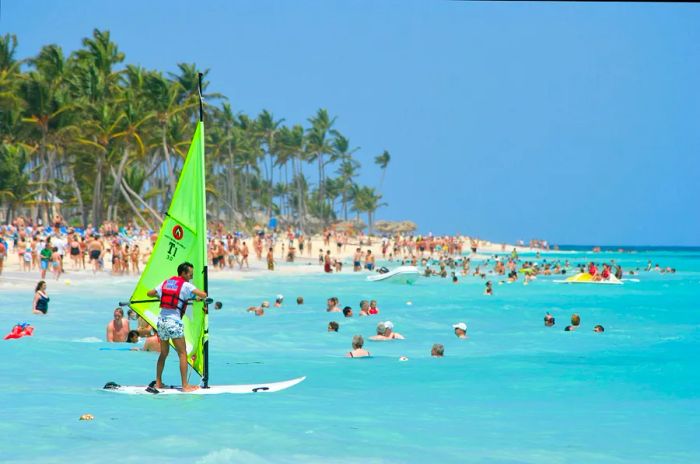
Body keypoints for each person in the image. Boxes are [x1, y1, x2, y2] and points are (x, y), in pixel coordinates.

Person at [146, 262, 207, 392]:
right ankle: (185, 386)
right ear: (183, 273)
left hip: (161, 321)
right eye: (190, 274)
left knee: (164, 353)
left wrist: (160, 295)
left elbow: (149, 293)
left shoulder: (166, 283)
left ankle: (158, 382)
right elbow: (203, 294)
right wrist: (196, 297)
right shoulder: (186, 285)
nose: (191, 276)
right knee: (182, 353)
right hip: (173, 322)